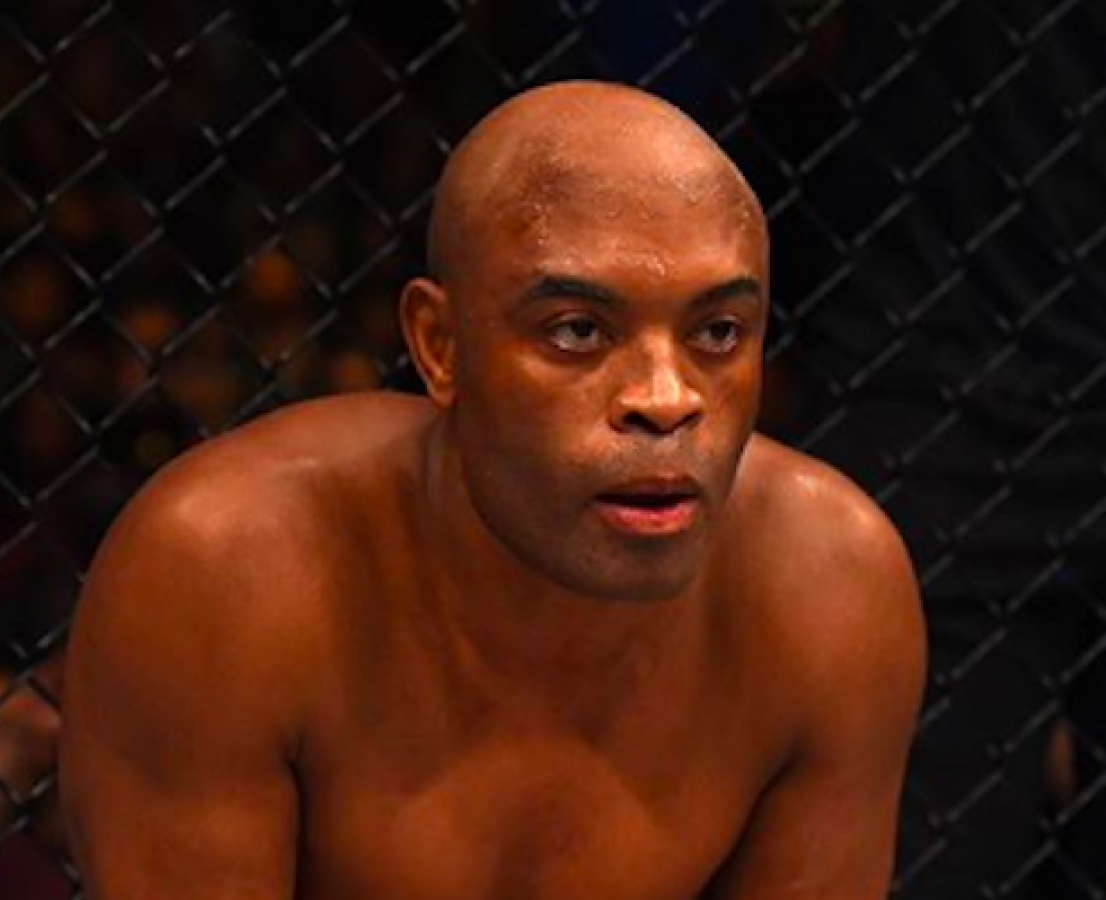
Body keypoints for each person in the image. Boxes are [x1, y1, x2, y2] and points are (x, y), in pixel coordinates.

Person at [59, 80, 926, 900]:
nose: (668, 398)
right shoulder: (225, 573)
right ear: (440, 346)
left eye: (719, 332)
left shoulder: (828, 588)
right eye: (578, 331)